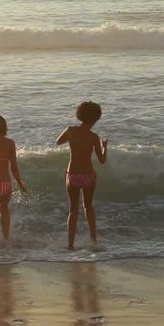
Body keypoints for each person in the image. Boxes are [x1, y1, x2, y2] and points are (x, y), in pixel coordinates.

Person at [57, 101, 107, 249]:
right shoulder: (93, 136)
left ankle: (70, 245)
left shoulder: (70, 130)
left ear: (79, 114)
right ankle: (94, 241)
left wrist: (71, 137)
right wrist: (105, 147)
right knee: (88, 207)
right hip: (88, 175)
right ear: (96, 118)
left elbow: (58, 142)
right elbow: (102, 160)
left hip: (72, 174)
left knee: (73, 210)